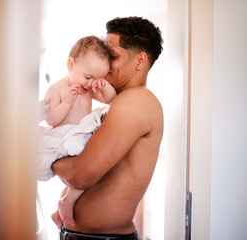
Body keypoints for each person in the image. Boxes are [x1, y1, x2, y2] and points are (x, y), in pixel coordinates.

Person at [51, 16, 164, 240]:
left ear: (140, 61)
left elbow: (80, 175)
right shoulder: (115, 103)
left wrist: (48, 158)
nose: (104, 61)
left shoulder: (137, 101)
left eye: (111, 56)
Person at [37, 36, 117, 228]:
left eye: (98, 79)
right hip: (63, 135)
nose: (91, 83)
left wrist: (104, 86)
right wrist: (67, 104)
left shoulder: (88, 88)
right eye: (88, 77)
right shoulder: (56, 88)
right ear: (70, 64)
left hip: (79, 134)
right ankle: (67, 202)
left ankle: (62, 206)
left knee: (94, 164)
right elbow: (51, 119)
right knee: (88, 167)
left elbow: (112, 100)